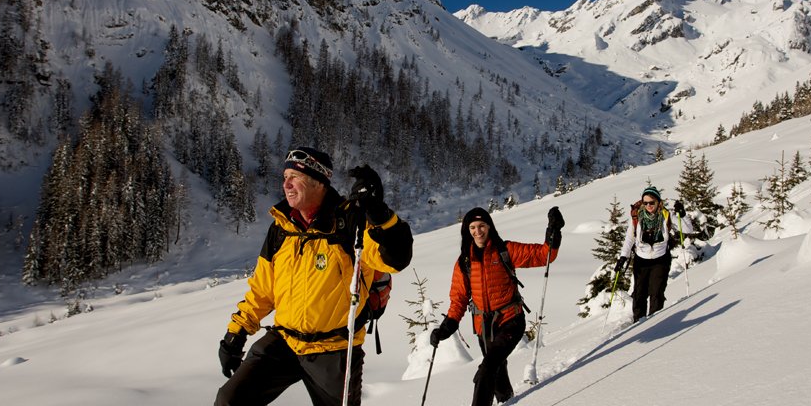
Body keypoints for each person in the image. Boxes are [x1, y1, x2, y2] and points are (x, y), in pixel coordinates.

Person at [215, 147, 413, 406]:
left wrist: (379, 213)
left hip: (334, 350)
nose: (286, 184)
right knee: (229, 400)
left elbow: (396, 259)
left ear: (318, 182)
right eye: (285, 176)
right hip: (284, 342)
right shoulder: (281, 228)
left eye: (294, 177)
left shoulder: (350, 223)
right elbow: (262, 291)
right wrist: (236, 333)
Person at [429, 207, 564, 406]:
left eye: (482, 226)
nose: (478, 231)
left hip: (511, 320)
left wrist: (554, 231)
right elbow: (458, 299)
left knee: (488, 368)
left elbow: (544, 255)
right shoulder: (464, 262)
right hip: (484, 328)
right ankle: (507, 400)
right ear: (467, 230)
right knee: (496, 368)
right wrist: (447, 326)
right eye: (472, 227)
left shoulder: (505, 250)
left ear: (490, 227)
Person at [614, 186, 691, 323]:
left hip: (660, 260)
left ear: (658, 202)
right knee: (639, 294)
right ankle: (638, 324)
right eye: (645, 203)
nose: (648, 205)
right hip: (641, 260)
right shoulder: (637, 216)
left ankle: (655, 324)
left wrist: (682, 214)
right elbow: (630, 238)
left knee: (656, 294)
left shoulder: (666, 215)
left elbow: (687, 229)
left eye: (652, 202)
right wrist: (623, 257)